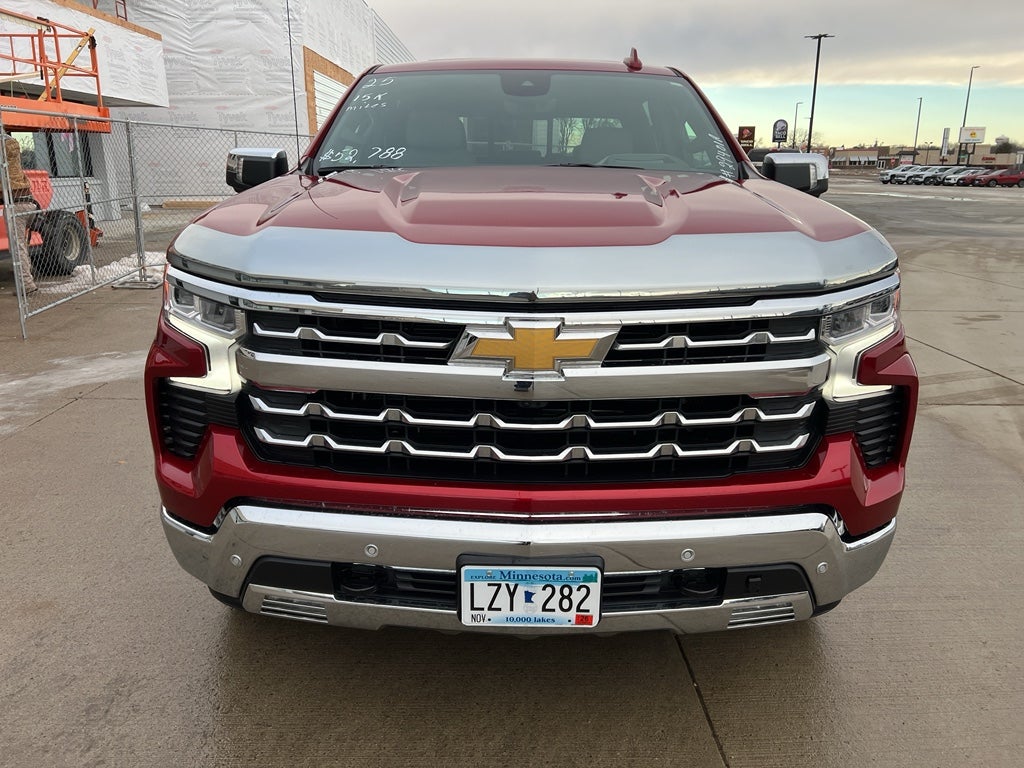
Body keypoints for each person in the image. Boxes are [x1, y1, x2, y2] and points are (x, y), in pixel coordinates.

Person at [2, 132, 37, 294]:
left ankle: (27, 285)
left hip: (16, 205)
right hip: (29, 202)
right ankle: (25, 276)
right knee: (22, 245)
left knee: (18, 247)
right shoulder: (12, 144)